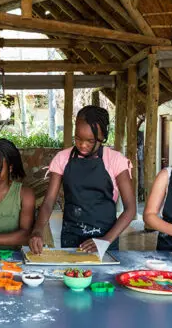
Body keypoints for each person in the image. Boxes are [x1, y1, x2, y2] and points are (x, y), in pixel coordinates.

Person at [29, 105, 136, 254]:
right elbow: (48, 202)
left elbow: (130, 209)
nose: (82, 145)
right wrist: (38, 230)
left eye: (90, 141)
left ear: (102, 137)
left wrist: (106, 240)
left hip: (106, 238)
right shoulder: (62, 159)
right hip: (71, 237)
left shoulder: (115, 160)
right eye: (78, 138)